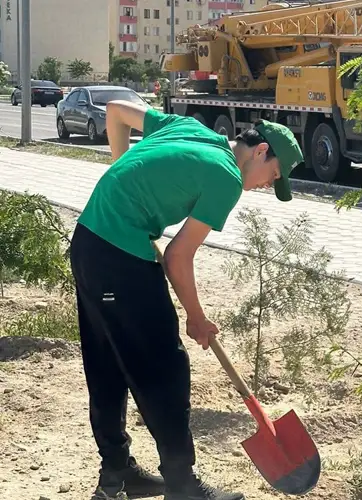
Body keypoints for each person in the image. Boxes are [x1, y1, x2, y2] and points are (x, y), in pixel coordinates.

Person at [69, 100, 304, 500]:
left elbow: (116, 111)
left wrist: (121, 176)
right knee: (164, 369)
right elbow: (179, 256)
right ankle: (182, 485)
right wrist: (197, 319)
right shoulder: (226, 177)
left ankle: (116, 475)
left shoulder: (188, 128)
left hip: (89, 241)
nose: (266, 185)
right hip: (120, 257)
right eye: (273, 176)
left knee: (107, 363)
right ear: (261, 151)